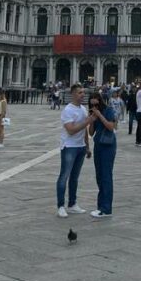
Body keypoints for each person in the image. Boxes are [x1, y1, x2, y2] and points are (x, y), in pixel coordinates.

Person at [57, 84, 91, 218]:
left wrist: (87, 146)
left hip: (80, 146)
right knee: (64, 176)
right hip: (69, 146)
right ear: (73, 94)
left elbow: (84, 130)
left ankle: (72, 204)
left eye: (83, 92)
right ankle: (60, 206)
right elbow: (70, 130)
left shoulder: (83, 109)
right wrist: (88, 121)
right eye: (79, 93)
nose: (82, 94)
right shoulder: (67, 110)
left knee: (75, 178)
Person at [88, 91, 117, 219]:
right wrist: (92, 120)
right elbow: (91, 132)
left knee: (106, 176)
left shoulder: (109, 110)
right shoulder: (93, 113)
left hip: (108, 146)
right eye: (92, 102)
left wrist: (100, 115)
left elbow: (111, 127)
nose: (94, 104)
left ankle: (106, 209)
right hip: (98, 145)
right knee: (99, 176)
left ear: (100, 100)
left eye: (96, 101)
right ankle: (100, 206)